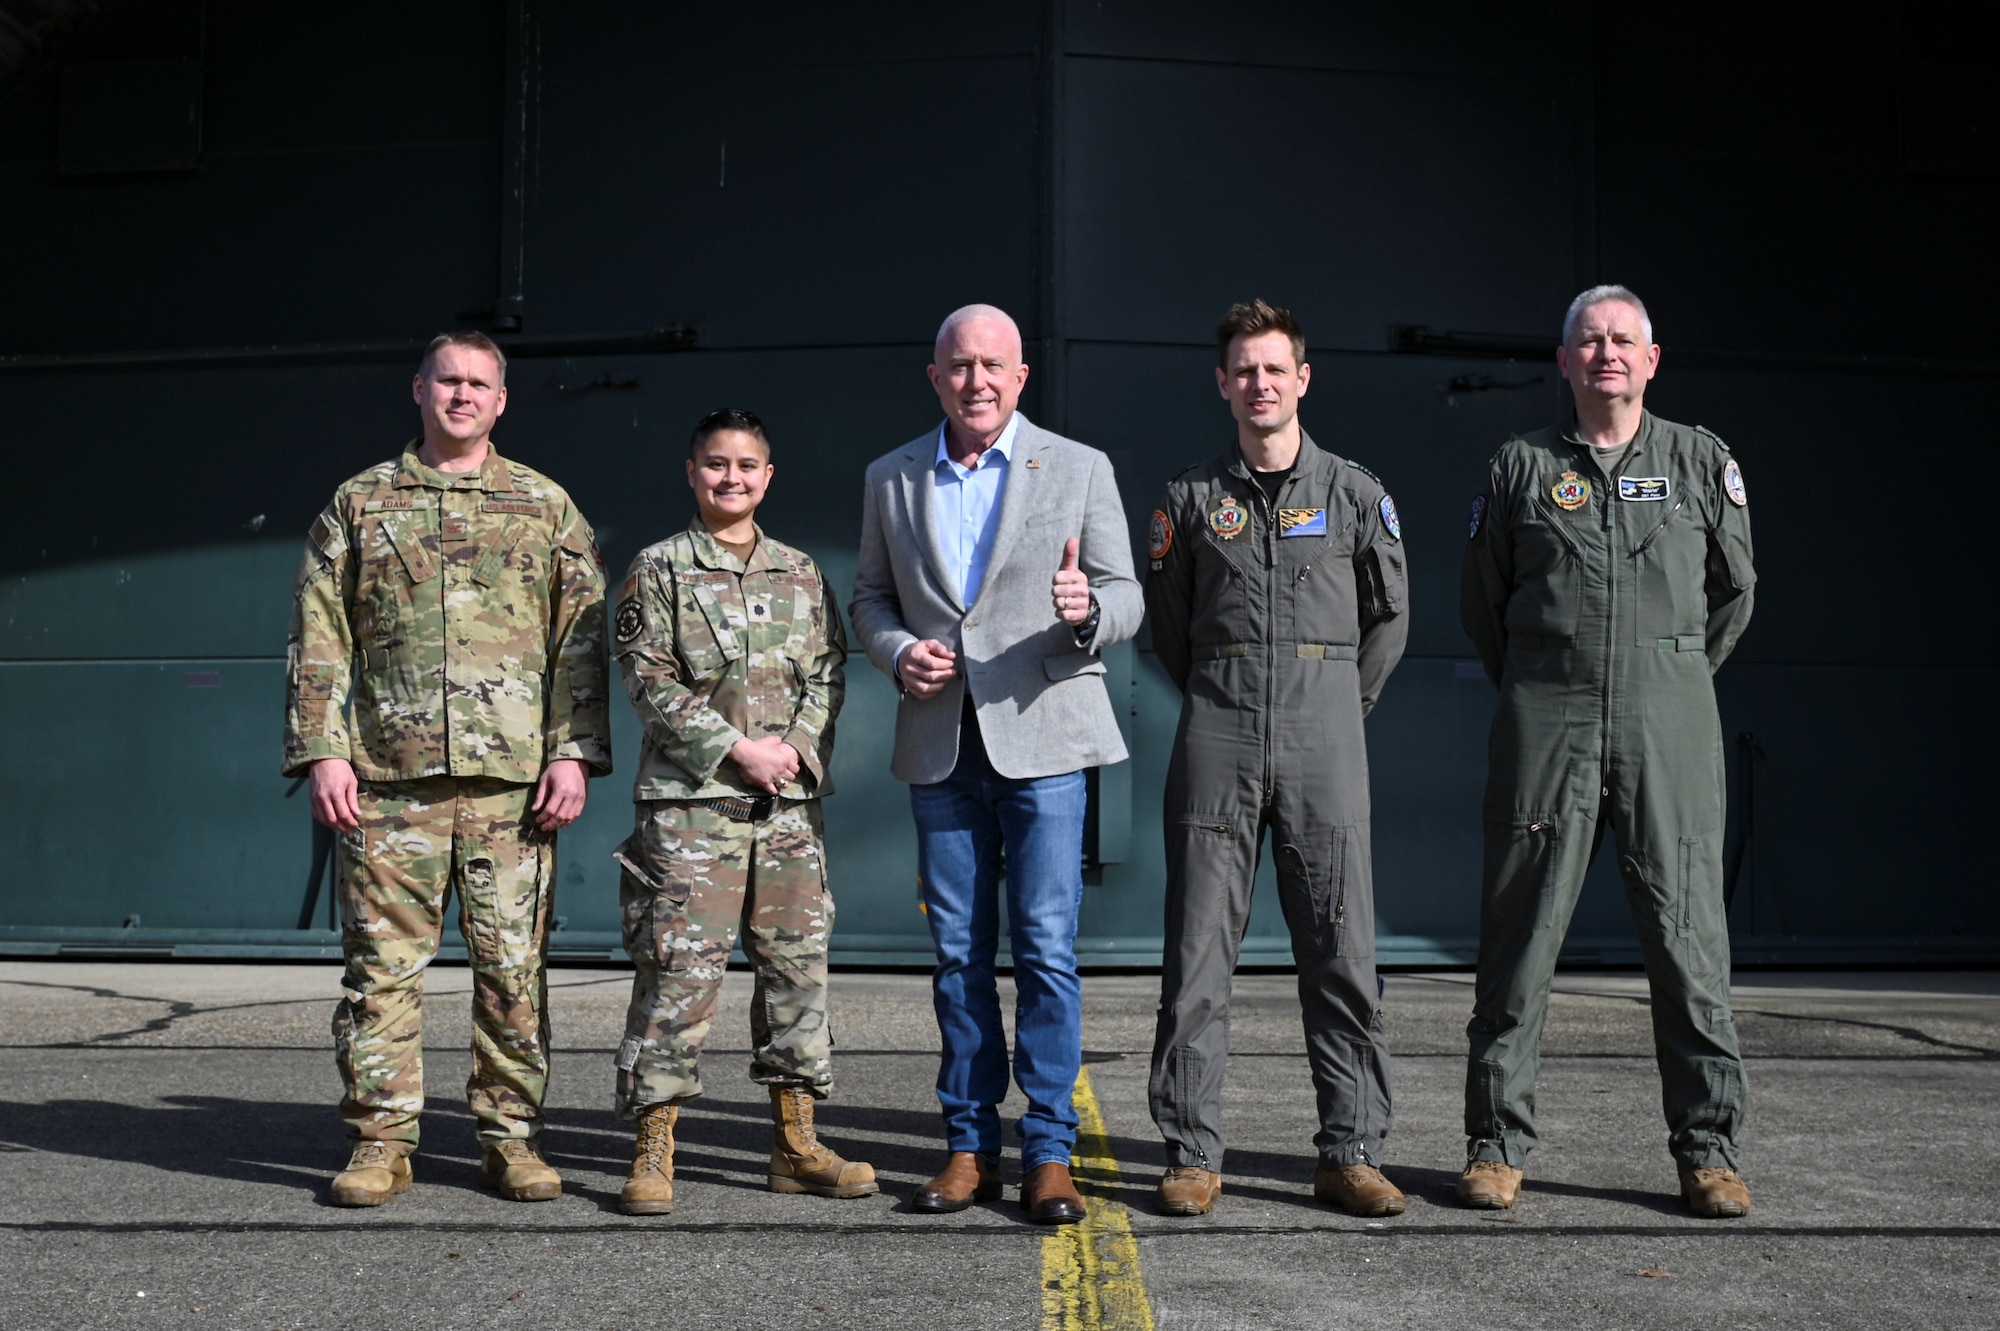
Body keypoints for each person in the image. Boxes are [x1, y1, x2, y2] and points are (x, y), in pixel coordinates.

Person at [284, 331, 611, 1207]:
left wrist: (573, 753)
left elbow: (581, 640)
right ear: (419, 389)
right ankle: (379, 1141)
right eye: (449, 381)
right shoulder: (360, 503)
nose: (463, 395)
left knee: (513, 971)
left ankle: (510, 1138)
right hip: (389, 780)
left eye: (480, 383)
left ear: (502, 400)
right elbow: (321, 635)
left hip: (513, 787)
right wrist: (323, 749)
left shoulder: (544, 506)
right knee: (381, 972)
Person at [1458, 284, 1756, 1218]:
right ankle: (1497, 1143)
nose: (1608, 356)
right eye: (1590, 342)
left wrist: (1662, 673)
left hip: (1668, 718)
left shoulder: (1700, 461)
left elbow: (1733, 595)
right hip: (1548, 716)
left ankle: (1708, 1149)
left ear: (1651, 360)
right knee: (1521, 932)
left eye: (1624, 342)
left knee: (1688, 937)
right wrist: (1557, 677)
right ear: (1565, 360)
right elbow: (1484, 602)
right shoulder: (1520, 468)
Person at [849, 303, 1141, 1224]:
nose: (977, 380)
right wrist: (898, 652)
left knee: (1047, 952)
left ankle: (1049, 1150)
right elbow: (869, 596)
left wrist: (1086, 607)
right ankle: (968, 1146)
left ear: (1021, 379)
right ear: (935, 378)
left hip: (1045, 739)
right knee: (956, 956)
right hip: (942, 744)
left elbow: (1127, 592)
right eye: (959, 366)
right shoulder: (890, 477)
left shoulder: (1080, 466)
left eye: (994, 366)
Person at [1143, 299, 1410, 1218]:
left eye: (1274, 369)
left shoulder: (1355, 495)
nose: (1259, 384)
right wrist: (1231, 695)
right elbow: (1171, 634)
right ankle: (1190, 1151)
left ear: (1303, 378)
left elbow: (1390, 619)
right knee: (1197, 954)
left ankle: (1352, 1149)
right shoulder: (1188, 500)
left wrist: (1335, 704)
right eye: (1242, 371)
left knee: (1343, 950)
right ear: (1223, 384)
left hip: (1323, 735)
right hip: (1216, 732)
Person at [607, 407, 872, 1215]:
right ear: (692, 472)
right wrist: (736, 749)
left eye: (747, 465)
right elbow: (648, 679)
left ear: (768, 476)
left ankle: (795, 1144)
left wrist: (794, 748)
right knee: (678, 978)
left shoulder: (801, 572)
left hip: (788, 809)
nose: (732, 477)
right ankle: (655, 1147)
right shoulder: (656, 569)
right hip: (693, 813)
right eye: (716, 463)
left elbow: (828, 673)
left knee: (797, 975)